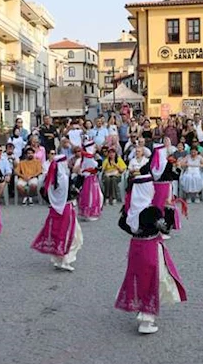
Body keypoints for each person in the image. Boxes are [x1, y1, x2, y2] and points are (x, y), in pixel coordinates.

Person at [115, 173, 186, 335]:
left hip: (135, 247)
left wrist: (138, 231)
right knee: (154, 280)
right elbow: (166, 228)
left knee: (138, 278)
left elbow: (122, 224)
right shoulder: (152, 211)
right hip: (150, 248)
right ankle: (146, 320)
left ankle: (141, 310)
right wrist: (169, 209)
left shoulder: (130, 209)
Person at [32, 154, 83, 272]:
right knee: (71, 235)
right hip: (66, 208)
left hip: (54, 209)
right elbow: (73, 192)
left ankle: (57, 259)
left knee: (57, 233)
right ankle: (65, 260)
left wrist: (53, 202)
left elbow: (43, 192)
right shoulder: (64, 178)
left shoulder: (50, 178)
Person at [150, 143, 183, 233]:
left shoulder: (151, 163)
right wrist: (178, 169)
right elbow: (174, 176)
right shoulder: (167, 164)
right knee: (166, 207)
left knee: (155, 206)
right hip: (165, 187)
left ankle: (153, 226)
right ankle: (165, 229)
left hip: (154, 187)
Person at [77, 140, 103, 221]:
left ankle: (86, 213)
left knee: (88, 194)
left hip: (89, 177)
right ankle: (90, 213)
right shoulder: (89, 157)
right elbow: (95, 166)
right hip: (90, 178)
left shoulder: (85, 156)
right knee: (92, 195)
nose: (95, 148)